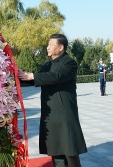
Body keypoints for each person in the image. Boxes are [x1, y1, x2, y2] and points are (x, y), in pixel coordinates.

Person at [18, 34, 87, 167]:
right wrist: (20, 74)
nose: (47, 47)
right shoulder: (47, 65)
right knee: (55, 149)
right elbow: (37, 78)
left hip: (64, 113)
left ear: (60, 47)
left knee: (69, 150)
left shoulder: (69, 62)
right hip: (50, 114)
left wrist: (32, 75)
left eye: (51, 44)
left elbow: (56, 76)